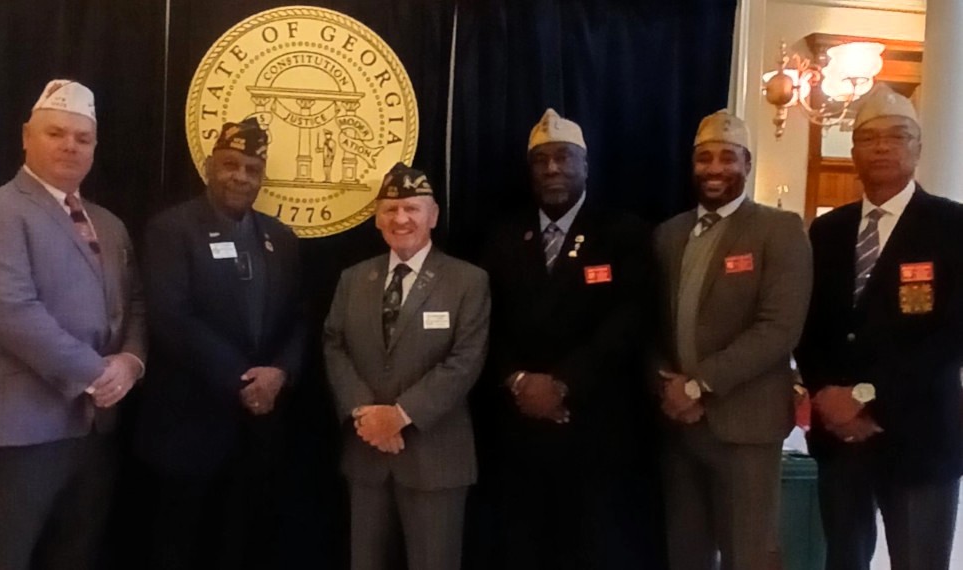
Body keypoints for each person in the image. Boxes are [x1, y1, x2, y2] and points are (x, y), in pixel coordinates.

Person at [0, 79, 146, 570]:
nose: (69, 146)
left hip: (94, 430)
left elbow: (136, 303)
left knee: (76, 555)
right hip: (22, 430)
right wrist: (98, 373)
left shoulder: (110, 223)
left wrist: (131, 361)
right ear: (25, 136)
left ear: (95, 146)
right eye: (55, 133)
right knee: (7, 556)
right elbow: (11, 311)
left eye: (82, 138)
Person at [479, 108, 660, 568]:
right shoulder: (501, 237)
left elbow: (629, 320)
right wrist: (520, 381)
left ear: (585, 165)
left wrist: (562, 384)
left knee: (592, 549)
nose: (553, 169)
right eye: (542, 161)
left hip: (595, 426)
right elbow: (484, 322)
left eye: (564, 158)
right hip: (518, 429)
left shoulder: (624, 233)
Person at [796, 84, 963, 570]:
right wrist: (827, 393)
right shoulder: (827, 231)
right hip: (840, 438)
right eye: (870, 138)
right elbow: (810, 325)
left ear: (918, 147)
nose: (884, 147)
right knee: (843, 559)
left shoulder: (952, 226)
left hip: (920, 435)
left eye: (898, 136)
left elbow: (951, 335)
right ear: (854, 153)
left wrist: (865, 395)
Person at [133, 117, 305, 569]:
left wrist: (281, 373)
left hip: (258, 433)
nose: (240, 176)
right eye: (230, 164)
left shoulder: (281, 239)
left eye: (251, 168)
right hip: (189, 427)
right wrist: (243, 380)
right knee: (179, 547)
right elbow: (172, 319)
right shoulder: (171, 230)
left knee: (243, 546)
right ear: (210, 166)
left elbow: (298, 319)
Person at [654, 110, 812, 570]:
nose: (716, 168)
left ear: (747, 163)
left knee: (750, 554)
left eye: (728, 157)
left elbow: (779, 328)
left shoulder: (778, 230)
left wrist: (698, 384)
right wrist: (666, 386)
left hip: (747, 426)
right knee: (686, 553)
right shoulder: (668, 234)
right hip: (680, 427)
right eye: (705, 158)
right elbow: (650, 323)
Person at [324, 162, 489, 570]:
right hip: (367, 456)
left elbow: (465, 361)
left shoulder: (468, 281)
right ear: (377, 217)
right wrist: (364, 412)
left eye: (412, 209)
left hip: (435, 458)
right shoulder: (352, 279)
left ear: (432, 216)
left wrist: (399, 416)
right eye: (390, 209)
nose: (401, 218)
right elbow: (334, 344)